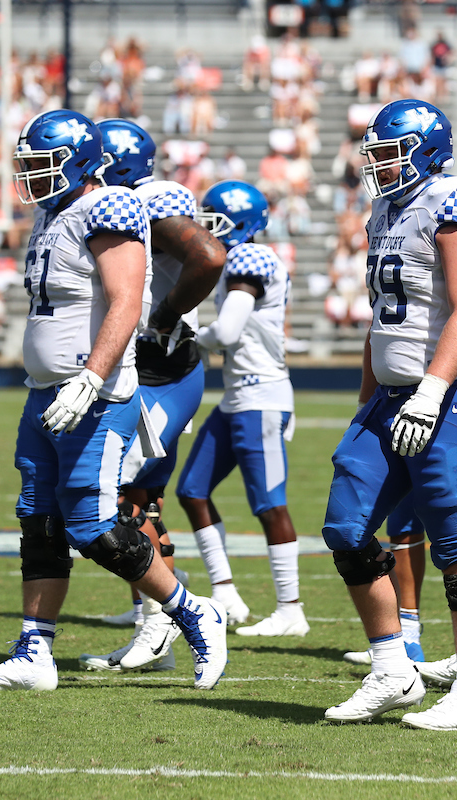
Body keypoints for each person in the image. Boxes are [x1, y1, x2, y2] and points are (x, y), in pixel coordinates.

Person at [0, 109, 227, 692]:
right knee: (40, 521)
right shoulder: (53, 216)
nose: (31, 175)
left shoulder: (109, 206)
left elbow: (127, 300)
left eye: (42, 164)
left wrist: (89, 377)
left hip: (96, 394)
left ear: (78, 161)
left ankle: (191, 611)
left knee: (94, 527)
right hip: (45, 394)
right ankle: (34, 651)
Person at [321, 99, 457, 730]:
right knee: (347, 528)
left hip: (451, 396)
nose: (379, 165)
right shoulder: (383, 209)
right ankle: (393, 669)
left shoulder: (456, 200)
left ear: (426, 150)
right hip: (390, 396)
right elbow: (380, 322)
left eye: (389, 153)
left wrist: (431, 390)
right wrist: (371, 398)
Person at [78, 118, 228, 674]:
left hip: (164, 371)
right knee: (136, 501)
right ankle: (157, 625)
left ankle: (167, 620)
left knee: (115, 495)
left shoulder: (145, 200)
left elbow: (208, 256)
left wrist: (163, 317)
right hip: (143, 372)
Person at [175, 180, 309, 639]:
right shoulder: (234, 260)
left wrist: (188, 338)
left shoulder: (250, 258)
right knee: (192, 490)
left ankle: (291, 608)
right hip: (236, 398)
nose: (205, 228)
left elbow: (228, 331)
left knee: (270, 505)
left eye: (214, 219)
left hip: (263, 399)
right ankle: (225, 591)